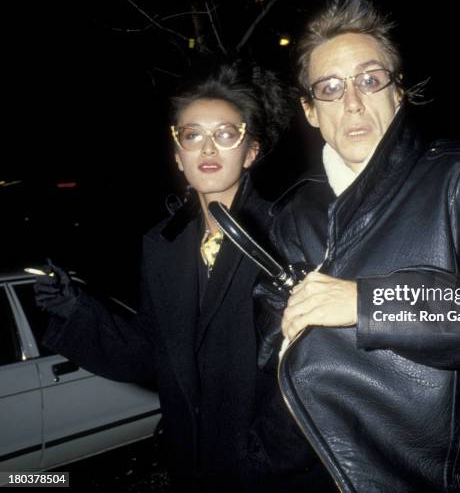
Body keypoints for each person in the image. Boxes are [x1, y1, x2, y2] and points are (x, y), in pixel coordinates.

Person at [255, 0, 460, 492]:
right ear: (311, 110)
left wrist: (369, 302)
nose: (353, 102)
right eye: (331, 88)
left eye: (370, 80)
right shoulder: (293, 214)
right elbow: (274, 357)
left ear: (398, 91)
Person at [34, 57, 331, 492]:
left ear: (251, 152)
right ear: (178, 156)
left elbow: (317, 366)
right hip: (194, 462)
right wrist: (78, 309)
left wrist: (274, 453)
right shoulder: (163, 246)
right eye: (193, 136)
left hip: (274, 471)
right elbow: (151, 355)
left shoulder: (288, 233)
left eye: (226, 134)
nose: (208, 149)